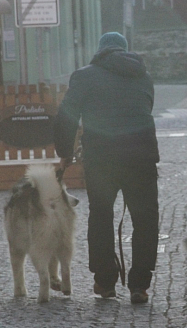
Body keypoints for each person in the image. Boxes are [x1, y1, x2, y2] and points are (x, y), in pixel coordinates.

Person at [54, 32, 159, 305]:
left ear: (100, 52)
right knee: (145, 220)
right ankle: (139, 286)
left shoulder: (84, 76)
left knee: (101, 218)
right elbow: (146, 106)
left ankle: (105, 282)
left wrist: (65, 154)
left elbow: (66, 117)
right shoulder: (143, 75)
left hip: (102, 158)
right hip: (142, 156)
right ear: (125, 51)